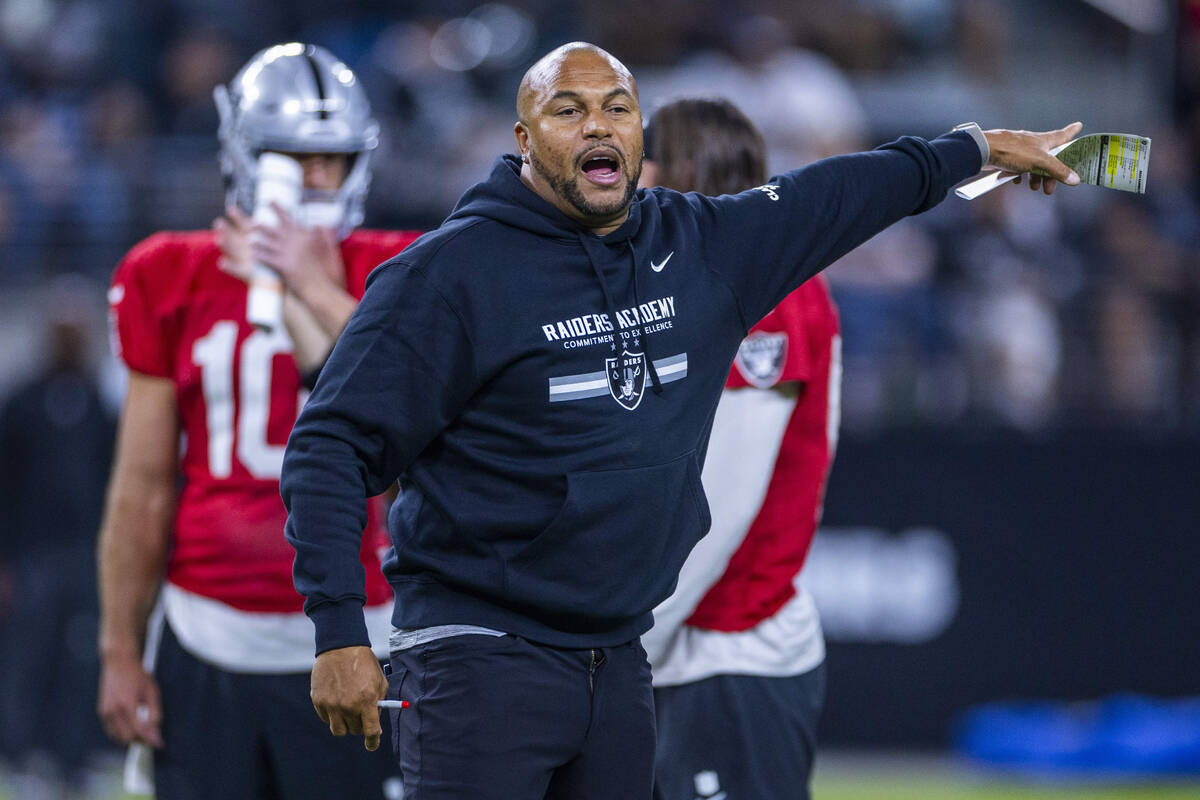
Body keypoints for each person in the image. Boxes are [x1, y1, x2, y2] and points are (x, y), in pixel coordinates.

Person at [280, 41, 1082, 800]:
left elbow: (845, 191)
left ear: (639, 129)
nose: (598, 124)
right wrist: (339, 628)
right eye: (569, 110)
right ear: (524, 139)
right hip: (479, 654)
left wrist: (977, 148)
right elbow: (330, 445)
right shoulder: (447, 274)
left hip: (620, 658)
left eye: (619, 106)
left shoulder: (700, 246)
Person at [96, 43, 421, 799]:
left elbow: (418, 415)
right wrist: (118, 648)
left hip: (363, 631)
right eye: (291, 157)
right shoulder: (165, 271)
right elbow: (141, 487)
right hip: (209, 633)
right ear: (245, 158)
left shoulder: (401, 266)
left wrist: (309, 285)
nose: (315, 179)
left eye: (333, 159)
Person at [635, 97, 838, 800]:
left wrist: (626, 646)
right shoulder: (694, 282)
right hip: (683, 647)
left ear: (674, 170)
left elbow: (720, 507)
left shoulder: (767, 290)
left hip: (724, 650)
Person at [0, 276, 116, 795]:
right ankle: (21, 757)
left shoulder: (98, 405)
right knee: (27, 656)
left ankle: (75, 759)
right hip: (32, 558)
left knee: (82, 658)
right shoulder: (22, 404)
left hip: (86, 556)